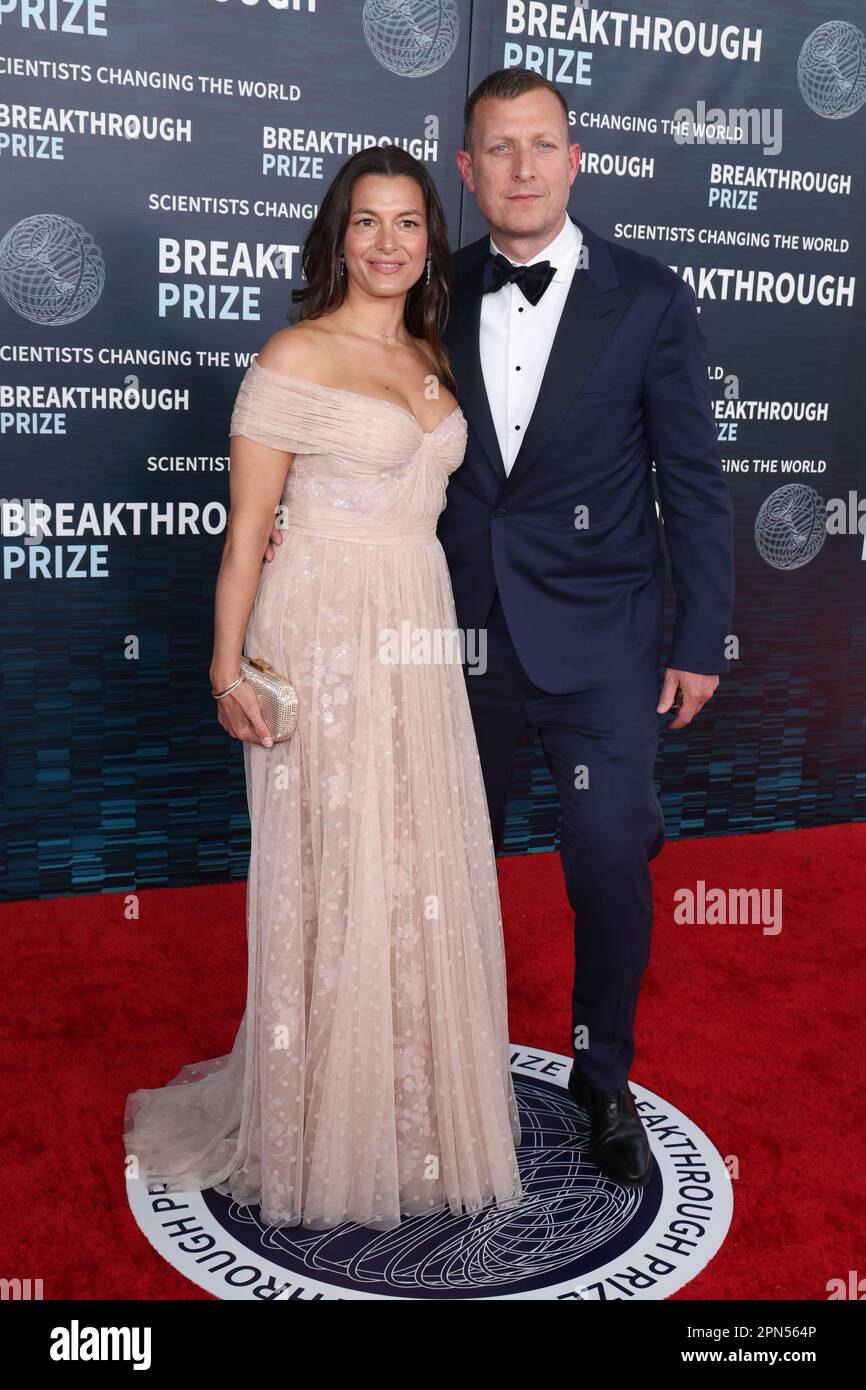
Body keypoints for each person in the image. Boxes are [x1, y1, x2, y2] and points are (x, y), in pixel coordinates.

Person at [124, 144, 524, 1232]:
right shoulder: (293, 354)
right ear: (334, 237)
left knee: (411, 855)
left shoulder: (432, 354)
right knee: (332, 862)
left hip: (414, 624)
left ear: (428, 242)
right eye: (365, 222)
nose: (387, 242)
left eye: (406, 223)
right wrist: (227, 665)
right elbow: (248, 529)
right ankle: (317, 1125)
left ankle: (405, 1110)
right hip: (323, 633)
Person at [437, 70, 735, 1186]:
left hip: (602, 641)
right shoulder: (431, 287)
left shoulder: (648, 297)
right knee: (441, 863)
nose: (521, 168)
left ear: (574, 159)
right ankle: (438, 1063)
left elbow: (693, 481)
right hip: (456, 638)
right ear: (466, 172)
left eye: (540, 146)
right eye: (497, 150)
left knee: (608, 854)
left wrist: (698, 636)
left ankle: (600, 1072)